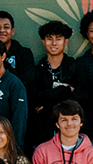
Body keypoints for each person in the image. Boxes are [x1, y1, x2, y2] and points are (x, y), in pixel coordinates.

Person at [23, 24, 75, 152]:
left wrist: (46, 107)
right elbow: (33, 96)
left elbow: (80, 97)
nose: (53, 43)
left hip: (70, 135)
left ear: (66, 41)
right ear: (43, 41)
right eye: (49, 38)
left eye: (58, 38)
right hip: (42, 135)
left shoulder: (74, 67)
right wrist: (65, 90)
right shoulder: (37, 70)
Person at [0, 14, 35, 88]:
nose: (1, 30)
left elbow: (27, 83)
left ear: (12, 31)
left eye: (6, 27)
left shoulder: (24, 54)